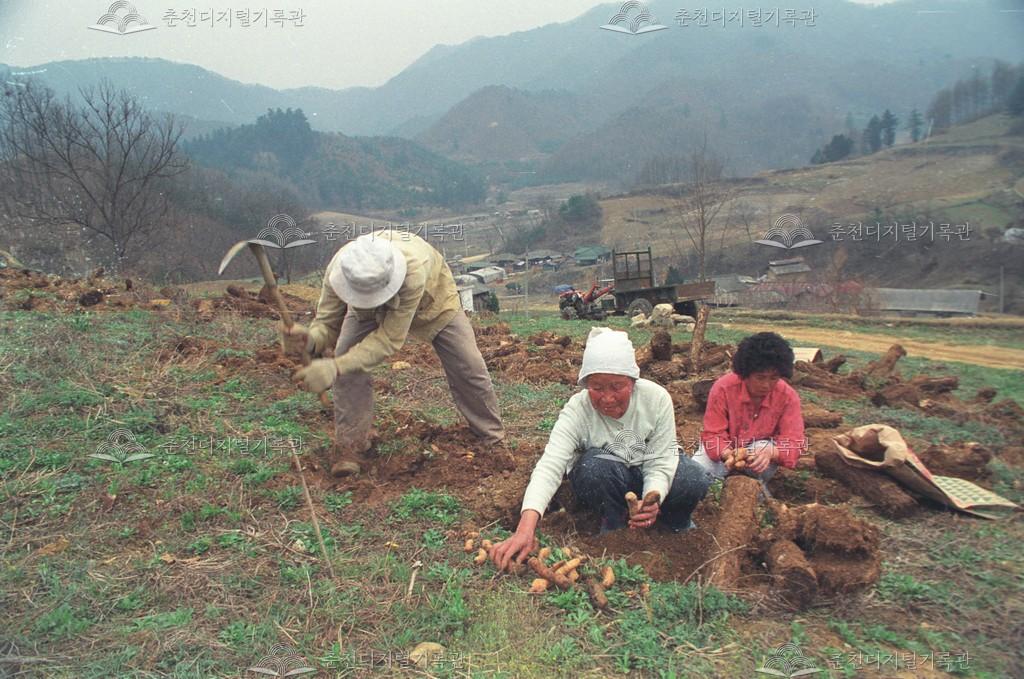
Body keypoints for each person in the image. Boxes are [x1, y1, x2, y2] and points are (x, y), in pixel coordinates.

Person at [282, 229, 505, 476]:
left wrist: (334, 366)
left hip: (433, 302)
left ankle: (491, 438)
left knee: (468, 365)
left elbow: (388, 339)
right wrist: (310, 339)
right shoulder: (342, 270)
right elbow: (327, 323)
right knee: (348, 363)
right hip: (364, 311)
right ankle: (351, 447)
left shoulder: (414, 271)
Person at [491, 327, 710, 572]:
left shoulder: (656, 399)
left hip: (650, 470)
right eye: (597, 387)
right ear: (586, 385)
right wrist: (525, 528)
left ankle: (675, 521)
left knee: (692, 477)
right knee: (593, 467)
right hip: (610, 480)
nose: (607, 398)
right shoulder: (577, 409)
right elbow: (551, 465)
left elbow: (661, 459)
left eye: (617, 387)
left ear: (633, 382)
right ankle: (612, 523)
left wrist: (653, 496)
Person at [692, 332, 805, 484]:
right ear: (745, 373)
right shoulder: (723, 388)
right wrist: (727, 454)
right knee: (696, 473)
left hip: (760, 454)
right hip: (723, 450)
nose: (766, 385)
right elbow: (713, 434)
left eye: (773, 378)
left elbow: (795, 441)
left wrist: (772, 452)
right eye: (760, 377)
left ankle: (754, 485)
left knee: (762, 448)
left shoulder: (788, 397)